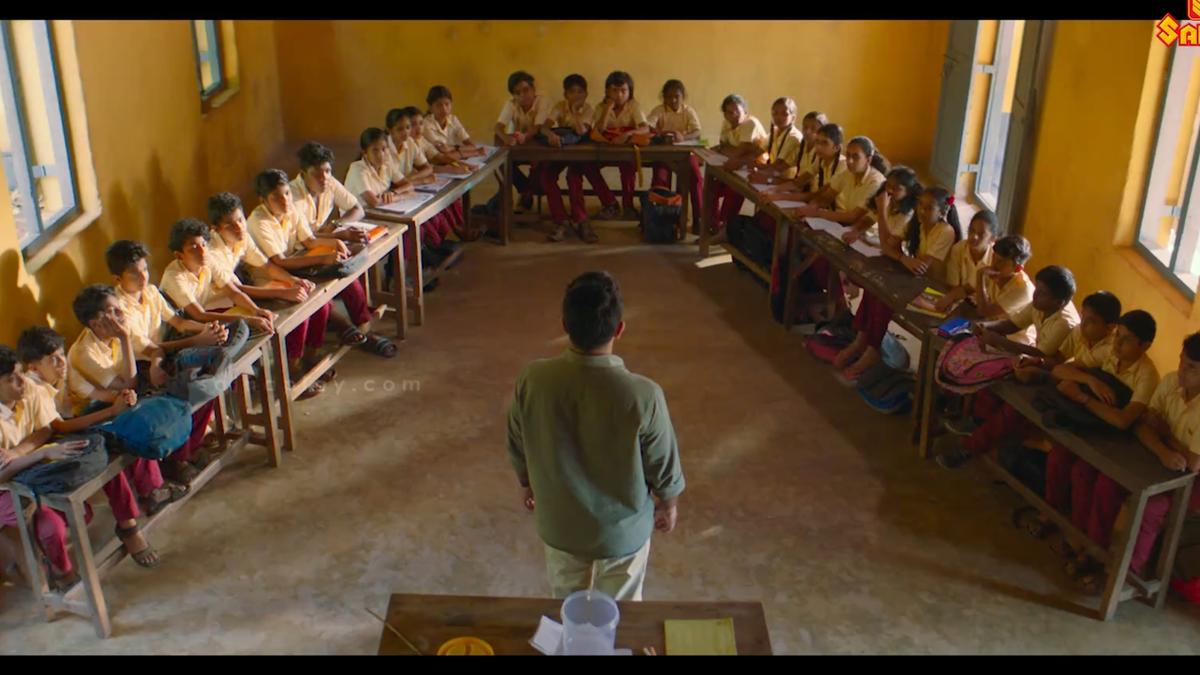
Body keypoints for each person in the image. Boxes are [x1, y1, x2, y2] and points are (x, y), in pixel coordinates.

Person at [506, 271, 685, 601]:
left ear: (565, 325)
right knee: (621, 611)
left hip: (560, 524)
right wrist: (668, 504)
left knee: (566, 599)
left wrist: (526, 482)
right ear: (619, 329)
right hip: (622, 534)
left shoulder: (533, 380)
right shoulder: (643, 395)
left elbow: (517, 439)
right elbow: (663, 463)